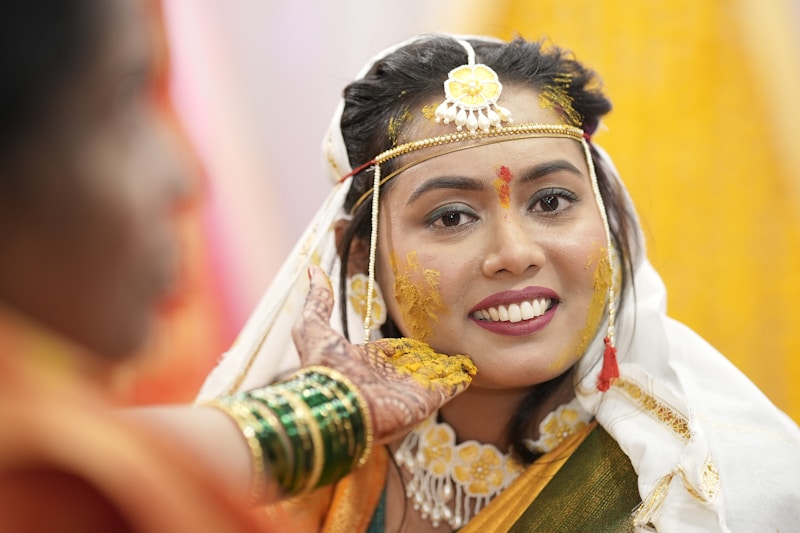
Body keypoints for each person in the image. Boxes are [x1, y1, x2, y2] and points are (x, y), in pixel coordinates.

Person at [200, 34, 800, 531]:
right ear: (360, 256)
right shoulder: (307, 466)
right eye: (451, 216)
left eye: (553, 200)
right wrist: (316, 422)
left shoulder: (708, 490)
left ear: (611, 224)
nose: (514, 254)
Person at [0, 2, 475, 531]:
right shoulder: (42, 489)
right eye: (126, 102)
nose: (188, 178)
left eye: (550, 203)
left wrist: (328, 410)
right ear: (359, 250)